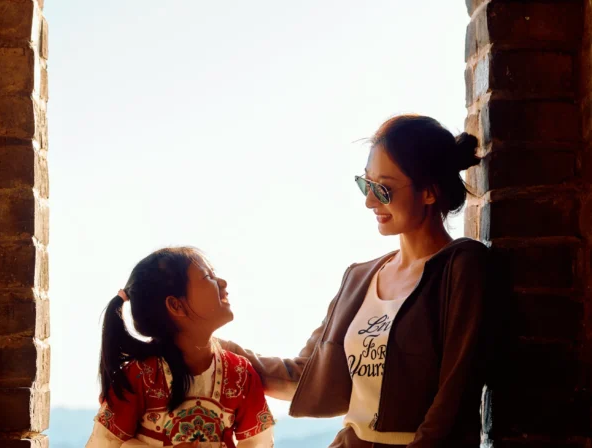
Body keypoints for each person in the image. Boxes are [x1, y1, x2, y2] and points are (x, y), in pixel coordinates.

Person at [222, 115, 503, 448]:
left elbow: (456, 392)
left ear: (429, 191)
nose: (369, 201)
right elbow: (308, 375)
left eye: (382, 188)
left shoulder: (463, 265)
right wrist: (214, 349)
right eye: (365, 184)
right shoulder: (359, 278)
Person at [85, 247, 275, 448]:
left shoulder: (240, 373)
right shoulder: (140, 376)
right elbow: (104, 444)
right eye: (207, 277)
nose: (222, 283)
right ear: (176, 305)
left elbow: (258, 443)